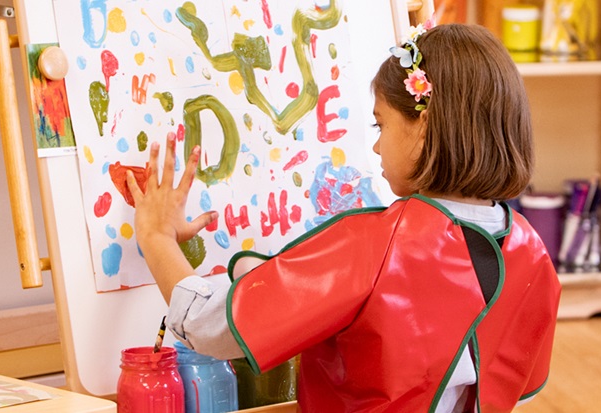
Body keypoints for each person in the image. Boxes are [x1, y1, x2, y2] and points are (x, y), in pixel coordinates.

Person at [127, 23, 561, 413]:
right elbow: (519, 378)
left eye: (380, 125)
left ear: (424, 126)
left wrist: (156, 235)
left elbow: (209, 327)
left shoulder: (376, 244)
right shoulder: (534, 253)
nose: (374, 147)